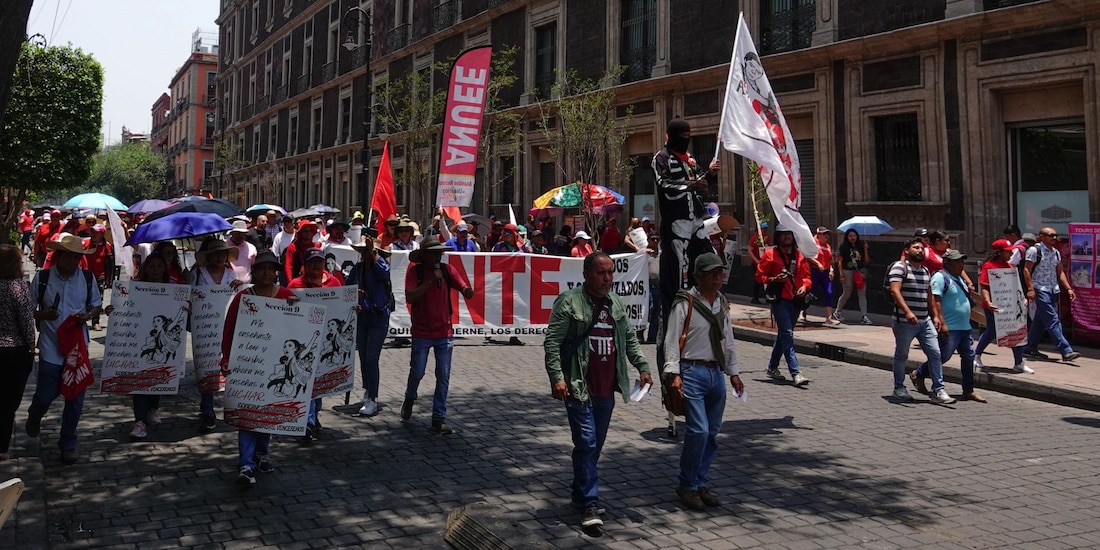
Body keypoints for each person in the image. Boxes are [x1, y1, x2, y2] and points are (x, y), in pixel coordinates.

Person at [544, 252, 653, 535]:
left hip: (607, 389)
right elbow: (552, 343)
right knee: (588, 443)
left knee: (594, 447)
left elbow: (629, 339)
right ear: (586, 274)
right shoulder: (569, 302)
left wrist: (642, 366)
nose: (607, 279)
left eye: (610, 273)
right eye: (601, 273)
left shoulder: (615, 303)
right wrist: (557, 378)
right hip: (579, 387)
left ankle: (580, 492)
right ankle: (590, 505)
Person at [663, 253, 742, 511]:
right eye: (712, 273)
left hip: (715, 373)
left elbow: (727, 340)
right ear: (699, 276)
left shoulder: (722, 303)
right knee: (699, 430)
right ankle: (686, 484)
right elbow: (672, 340)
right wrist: (673, 374)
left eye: (720, 272)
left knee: (712, 432)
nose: (718, 277)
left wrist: (734, 372)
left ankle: (699, 482)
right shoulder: (685, 303)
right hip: (691, 372)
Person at [219, 250, 298, 486]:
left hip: (274, 364)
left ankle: (262, 454)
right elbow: (229, 329)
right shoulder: (244, 296)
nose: (266, 273)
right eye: (261, 268)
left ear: (276, 272)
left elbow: (299, 327)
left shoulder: (286, 295)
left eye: (270, 269)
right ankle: (246, 463)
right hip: (247, 364)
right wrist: (226, 358)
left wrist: (296, 307)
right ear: (255, 271)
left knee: (266, 412)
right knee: (247, 413)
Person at [26, 235, 103, 464]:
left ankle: (68, 442)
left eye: (76, 256)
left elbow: (96, 305)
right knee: (45, 395)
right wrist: (43, 315)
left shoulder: (87, 279)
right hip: (50, 347)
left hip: (77, 349)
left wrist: (88, 316)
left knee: (75, 400)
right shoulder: (43, 278)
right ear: (59, 256)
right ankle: (35, 415)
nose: (72, 260)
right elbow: (29, 309)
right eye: (68, 255)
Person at [401, 238, 475, 434]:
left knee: (443, 376)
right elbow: (410, 297)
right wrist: (429, 281)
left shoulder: (447, 270)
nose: (437, 256)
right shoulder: (414, 272)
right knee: (417, 371)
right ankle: (410, 396)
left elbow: (462, 285)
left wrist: (467, 290)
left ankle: (438, 418)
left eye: (439, 253)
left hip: (444, 331)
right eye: (433, 253)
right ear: (424, 255)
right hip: (422, 331)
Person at [653, 117, 720, 328]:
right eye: (682, 136)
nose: (686, 140)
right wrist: (691, 185)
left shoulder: (689, 158)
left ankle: (703, 302)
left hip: (697, 223)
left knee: (708, 260)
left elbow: (700, 180)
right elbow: (664, 183)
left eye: (688, 136)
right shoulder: (661, 158)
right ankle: (674, 315)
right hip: (676, 224)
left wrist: (710, 174)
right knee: (676, 268)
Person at [104, 253, 175, 440]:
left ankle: (153, 409)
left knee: (157, 377)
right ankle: (139, 422)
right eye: (151, 266)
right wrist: (113, 309)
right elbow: (124, 308)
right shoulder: (134, 287)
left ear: (165, 269)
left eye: (159, 266)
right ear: (145, 268)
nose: (155, 270)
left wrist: (187, 307)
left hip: (161, 343)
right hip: (138, 341)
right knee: (139, 381)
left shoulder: (174, 288)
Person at [887, 239, 956, 404]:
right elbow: (895, 291)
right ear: (907, 250)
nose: (920, 250)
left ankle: (938, 390)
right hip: (904, 321)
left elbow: (929, 296)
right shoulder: (900, 267)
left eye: (922, 248)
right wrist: (908, 312)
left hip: (925, 321)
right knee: (902, 355)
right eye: (916, 247)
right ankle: (899, 388)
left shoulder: (925, 271)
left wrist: (936, 316)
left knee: (936, 353)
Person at [909, 250, 984, 402]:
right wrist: (941, 322)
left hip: (964, 327)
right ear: (947, 263)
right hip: (951, 326)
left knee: (968, 358)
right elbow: (935, 301)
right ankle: (919, 373)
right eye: (957, 262)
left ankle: (968, 390)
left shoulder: (959, 278)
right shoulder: (940, 277)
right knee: (943, 356)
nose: (961, 265)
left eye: (962, 262)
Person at [288, 247, 344, 442]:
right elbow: (287, 308)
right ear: (305, 265)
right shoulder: (296, 284)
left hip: (326, 342)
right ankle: (307, 423)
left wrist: (352, 308)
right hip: (305, 342)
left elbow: (342, 306)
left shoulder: (334, 282)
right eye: (312, 262)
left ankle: (314, 417)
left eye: (319, 262)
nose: (316, 266)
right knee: (308, 384)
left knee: (319, 382)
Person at [191, 238, 244, 432]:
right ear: (208, 256)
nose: (219, 257)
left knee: (227, 365)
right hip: (205, 327)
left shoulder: (231, 274)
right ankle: (207, 411)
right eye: (215, 254)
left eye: (222, 254)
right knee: (206, 366)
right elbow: (189, 295)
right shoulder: (197, 273)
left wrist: (239, 285)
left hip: (226, 326)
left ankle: (232, 408)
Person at [755, 224, 811, 386]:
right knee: (787, 334)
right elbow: (759, 276)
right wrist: (773, 279)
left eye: (789, 234)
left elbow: (806, 276)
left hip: (796, 300)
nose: (787, 237)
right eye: (783, 234)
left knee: (784, 335)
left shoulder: (799, 255)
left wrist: (805, 286)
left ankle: (772, 367)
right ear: (777, 237)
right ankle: (796, 372)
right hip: (779, 300)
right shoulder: (770, 255)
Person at [346, 236, 392, 417]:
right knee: (364, 357)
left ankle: (372, 397)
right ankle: (368, 390)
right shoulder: (357, 270)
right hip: (362, 317)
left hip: (378, 317)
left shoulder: (380, 266)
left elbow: (385, 273)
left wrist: (374, 255)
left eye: (370, 251)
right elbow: (347, 287)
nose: (366, 255)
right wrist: (354, 295)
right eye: (365, 251)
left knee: (372, 358)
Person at [1021, 227, 1081, 362]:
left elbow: (1060, 272)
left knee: (1040, 321)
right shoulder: (1034, 250)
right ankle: (1066, 350)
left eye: (1055, 235)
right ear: (1041, 236)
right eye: (1050, 235)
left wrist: (1068, 288)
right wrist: (1030, 289)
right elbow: (1026, 270)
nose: (1054, 238)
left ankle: (1030, 347)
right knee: (1053, 319)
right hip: (1039, 288)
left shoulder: (1055, 253)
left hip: (1052, 289)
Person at [0, 245, 36, 460]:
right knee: (8, 402)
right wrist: (31, 344)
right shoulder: (18, 287)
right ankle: (2, 447)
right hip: (13, 350)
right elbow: (26, 320)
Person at [973, 239, 1028, 375]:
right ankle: (976, 355)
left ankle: (1019, 363)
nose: (1010, 254)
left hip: (1010, 305)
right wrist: (988, 302)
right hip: (993, 306)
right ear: (999, 252)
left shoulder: (1009, 266)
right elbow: (984, 287)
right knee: (991, 332)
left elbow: (1016, 286)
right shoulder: (989, 265)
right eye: (1008, 251)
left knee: (1016, 331)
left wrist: (1022, 298)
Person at [834, 228, 871, 325]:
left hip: (860, 272)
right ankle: (838, 311)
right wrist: (841, 275)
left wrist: (866, 249)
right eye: (850, 236)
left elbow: (866, 261)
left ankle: (864, 316)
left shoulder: (861, 246)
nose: (852, 238)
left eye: (854, 236)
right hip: (848, 271)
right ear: (847, 237)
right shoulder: (843, 247)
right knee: (847, 292)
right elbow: (839, 261)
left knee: (862, 294)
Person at [83, 224, 114, 331]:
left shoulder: (107, 246)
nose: (94, 234)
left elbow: (109, 264)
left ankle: (95, 321)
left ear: (102, 234)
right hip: (85, 276)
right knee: (83, 298)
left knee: (98, 299)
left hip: (99, 276)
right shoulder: (85, 243)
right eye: (92, 231)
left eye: (97, 232)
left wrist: (108, 280)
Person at [807, 227, 837, 324]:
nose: (826, 236)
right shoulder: (814, 243)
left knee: (829, 293)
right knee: (811, 293)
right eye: (824, 234)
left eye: (827, 234)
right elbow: (808, 255)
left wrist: (831, 270)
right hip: (815, 271)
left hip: (825, 272)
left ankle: (829, 317)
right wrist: (817, 263)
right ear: (818, 234)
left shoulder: (828, 246)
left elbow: (830, 261)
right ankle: (803, 310)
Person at [643, 231, 662, 343]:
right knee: (647, 309)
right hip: (646, 286)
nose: (655, 241)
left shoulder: (662, 253)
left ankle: (652, 336)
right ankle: (640, 333)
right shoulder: (643, 253)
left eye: (657, 239)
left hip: (658, 286)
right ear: (648, 240)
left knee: (656, 311)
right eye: (653, 239)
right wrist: (643, 252)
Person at [748, 222, 769, 303]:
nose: (765, 230)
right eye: (764, 228)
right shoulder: (755, 238)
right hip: (756, 262)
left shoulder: (767, 237)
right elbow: (750, 250)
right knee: (757, 280)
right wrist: (756, 261)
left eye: (766, 228)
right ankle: (755, 297)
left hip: (764, 262)